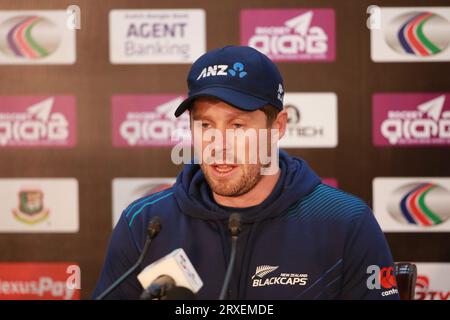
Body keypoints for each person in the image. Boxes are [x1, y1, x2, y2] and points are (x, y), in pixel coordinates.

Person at [93, 46, 399, 300]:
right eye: (205, 125)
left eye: (237, 126)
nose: (218, 144)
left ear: (277, 127)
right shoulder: (145, 224)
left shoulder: (345, 221)